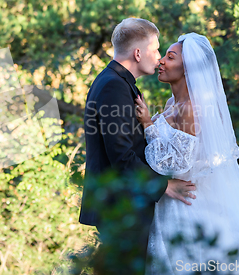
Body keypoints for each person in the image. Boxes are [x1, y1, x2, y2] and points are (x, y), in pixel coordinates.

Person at [135, 33, 239, 274]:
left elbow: (178, 165)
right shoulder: (171, 105)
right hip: (171, 204)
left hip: (186, 206)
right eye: (164, 55)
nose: (161, 61)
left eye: (170, 57)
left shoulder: (191, 109)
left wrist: (147, 124)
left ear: (189, 69)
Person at [79, 18, 197, 274]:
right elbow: (121, 156)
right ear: (137, 53)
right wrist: (163, 184)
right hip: (120, 208)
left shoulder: (118, 83)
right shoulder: (113, 86)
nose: (158, 58)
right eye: (156, 50)